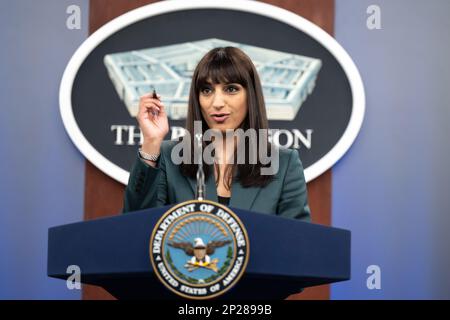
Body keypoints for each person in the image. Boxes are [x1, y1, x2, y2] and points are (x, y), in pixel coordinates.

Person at [122, 46, 311, 221]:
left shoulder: (284, 164)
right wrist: (151, 142)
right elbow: (135, 228)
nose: (217, 102)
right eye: (207, 90)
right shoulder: (168, 157)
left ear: (250, 95)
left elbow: (297, 244)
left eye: (231, 89)